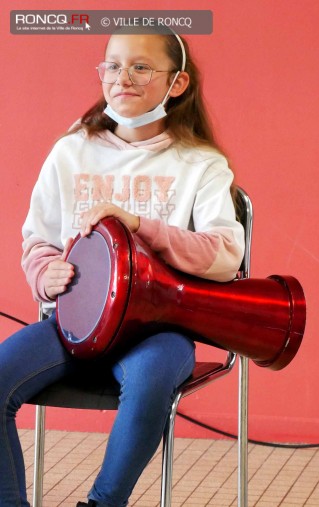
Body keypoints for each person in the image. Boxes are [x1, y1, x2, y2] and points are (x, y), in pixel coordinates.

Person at [0, 27, 244, 507]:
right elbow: (38, 239)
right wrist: (44, 270)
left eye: (140, 67)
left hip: (159, 330)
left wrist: (141, 224)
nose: (121, 78)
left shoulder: (201, 164)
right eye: (111, 65)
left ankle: (102, 503)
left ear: (177, 84)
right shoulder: (71, 150)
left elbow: (224, 256)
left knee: (151, 380)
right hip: (72, 325)